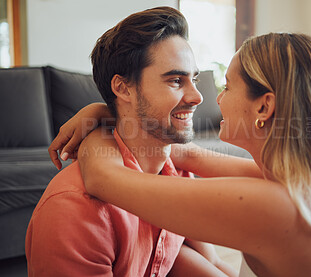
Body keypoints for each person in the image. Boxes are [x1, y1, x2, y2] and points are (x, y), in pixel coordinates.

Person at [50, 33, 311, 276]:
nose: (207, 98)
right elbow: (188, 156)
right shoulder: (310, 181)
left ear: (265, 106)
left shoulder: (274, 206)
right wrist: (108, 109)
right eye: (176, 81)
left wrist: (102, 122)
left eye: (227, 86)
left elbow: (103, 179)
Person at [26, 7, 237, 277]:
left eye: (193, 79)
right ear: (123, 88)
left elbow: (210, 262)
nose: (198, 97)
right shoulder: (75, 210)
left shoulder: (178, 172)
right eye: (175, 80)